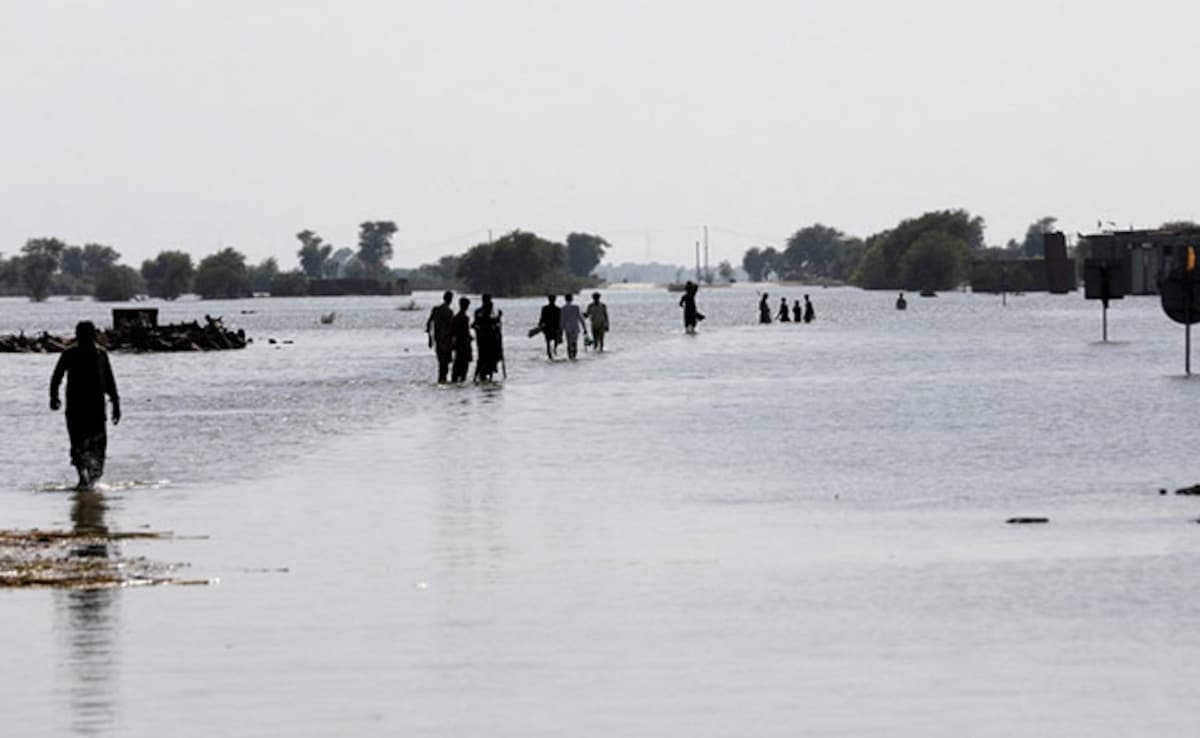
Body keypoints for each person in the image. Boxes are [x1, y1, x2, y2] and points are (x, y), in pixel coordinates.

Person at [50, 321, 120, 490]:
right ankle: (83, 477)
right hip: (76, 409)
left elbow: (109, 381)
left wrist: (116, 403)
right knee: (78, 444)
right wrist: (54, 397)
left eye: (89, 335)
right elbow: (57, 376)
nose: (88, 338)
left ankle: (93, 478)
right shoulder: (69, 354)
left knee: (99, 444)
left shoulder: (100, 354)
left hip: (96, 408)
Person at [472, 294, 503, 382]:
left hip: (491, 340)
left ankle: (486, 373)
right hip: (485, 340)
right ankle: (481, 374)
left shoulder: (490, 311)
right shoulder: (481, 312)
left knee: (490, 358)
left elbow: (495, 323)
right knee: (483, 358)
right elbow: (476, 324)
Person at [425, 290, 455, 383]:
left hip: (439, 339)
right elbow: (452, 328)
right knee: (445, 363)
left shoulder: (436, 310)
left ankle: (441, 379)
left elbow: (429, 323)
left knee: (442, 362)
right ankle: (443, 379)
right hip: (446, 340)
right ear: (450, 299)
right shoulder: (449, 312)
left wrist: (430, 338)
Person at [450, 297, 473, 383]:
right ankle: (461, 380)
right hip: (464, 344)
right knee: (464, 365)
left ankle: (455, 380)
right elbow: (465, 332)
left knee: (457, 364)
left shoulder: (456, 317)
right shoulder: (464, 318)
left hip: (458, 344)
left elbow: (453, 332)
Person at [535, 294, 561, 360]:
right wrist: (560, 329)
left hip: (547, 328)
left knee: (548, 342)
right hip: (555, 327)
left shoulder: (545, 308)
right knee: (555, 340)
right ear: (555, 300)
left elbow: (542, 318)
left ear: (548, 300)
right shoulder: (558, 309)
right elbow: (559, 320)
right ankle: (555, 350)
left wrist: (539, 326)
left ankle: (549, 354)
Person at [560, 293, 586, 360]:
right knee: (575, 343)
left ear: (565, 299)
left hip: (567, 328)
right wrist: (584, 328)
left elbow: (562, 320)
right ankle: (574, 356)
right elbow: (580, 318)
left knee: (569, 344)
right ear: (572, 299)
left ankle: (570, 357)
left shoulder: (563, 308)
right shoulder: (576, 307)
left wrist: (560, 330)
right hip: (575, 328)